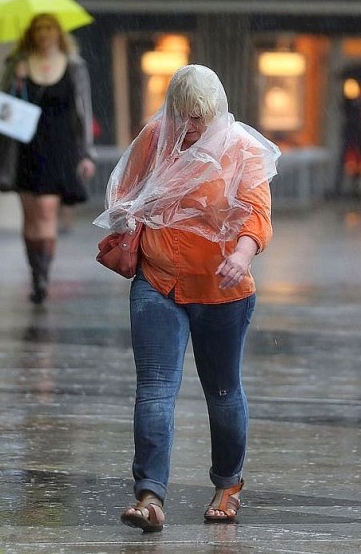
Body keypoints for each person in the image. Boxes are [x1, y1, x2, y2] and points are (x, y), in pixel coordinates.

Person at [94, 65, 279, 530]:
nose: (191, 127)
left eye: (200, 117)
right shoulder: (157, 138)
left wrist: (241, 254)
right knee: (155, 390)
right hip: (159, 281)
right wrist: (126, 212)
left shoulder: (241, 148)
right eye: (184, 115)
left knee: (222, 391)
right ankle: (149, 497)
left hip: (222, 287)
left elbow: (257, 213)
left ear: (216, 109)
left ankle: (228, 484)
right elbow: (124, 192)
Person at [0, 12, 96, 303]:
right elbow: (1, 106)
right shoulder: (17, 63)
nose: (44, 33)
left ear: (58, 32)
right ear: (31, 33)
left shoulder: (74, 67)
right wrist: (16, 81)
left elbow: (83, 113)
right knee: (30, 214)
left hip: (60, 148)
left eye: (49, 27)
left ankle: (44, 276)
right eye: (39, 28)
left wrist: (86, 153)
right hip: (24, 146)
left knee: (47, 212)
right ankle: (35, 273)